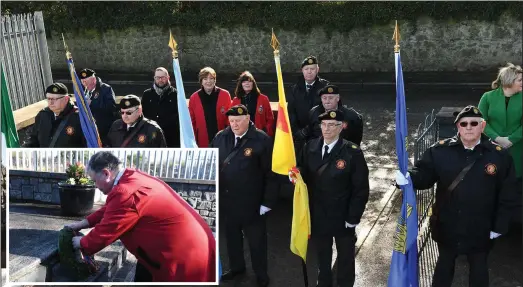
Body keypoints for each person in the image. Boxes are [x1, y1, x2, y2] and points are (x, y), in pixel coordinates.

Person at [395, 106, 517, 287]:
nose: (469, 127)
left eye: (474, 123)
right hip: (448, 224)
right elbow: (424, 175)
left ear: (482, 126)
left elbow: (508, 193)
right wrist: (408, 177)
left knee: (479, 271)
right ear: (458, 127)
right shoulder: (439, 151)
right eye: (464, 123)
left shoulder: (499, 156)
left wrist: (499, 225)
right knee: (443, 269)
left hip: (481, 226)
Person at [66, 151, 216, 282]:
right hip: (185, 247)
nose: (95, 186)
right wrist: (84, 223)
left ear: (106, 173)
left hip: (184, 258)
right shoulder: (130, 178)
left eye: (94, 180)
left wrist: (83, 242)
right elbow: (112, 209)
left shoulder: (126, 192)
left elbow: (108, 230)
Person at [289, 109, 370, 287]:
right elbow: (302, 168)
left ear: (341, 127)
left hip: (343, 216)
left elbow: (361, 189)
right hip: (318, 214)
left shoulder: (352, 153)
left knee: (346, 258)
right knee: (322, 256)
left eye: (332, 125)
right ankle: (323, 283)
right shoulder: (310, 147)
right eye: (324, 125)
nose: (327, 129)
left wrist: (353, 217)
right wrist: (295, 174)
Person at [210, 105, 277, 287]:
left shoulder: (261, 140)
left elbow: (271, 174)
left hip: (252, 203)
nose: (235, 124)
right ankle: (237, 268)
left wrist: (267, 202)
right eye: (231, 121)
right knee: (232, 239)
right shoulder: (220, 137)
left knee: (256, 242)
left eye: (238, 120)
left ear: (248, 118)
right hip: (228, 201)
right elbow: (212, 165)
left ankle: (261, 274)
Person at [478, 63, 522, 224]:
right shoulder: (488, 97)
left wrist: (511, 140)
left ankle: (507, 221)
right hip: (491, 147)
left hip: (517, 149)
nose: (522, 83)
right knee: (491, 181)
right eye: (520, 80)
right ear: (509, 81)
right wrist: (497, 138)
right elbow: (481, 120)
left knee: (513, 185)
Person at [288, 56, 329, 155]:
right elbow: (291, 111)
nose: (309, 72)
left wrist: (309, 129)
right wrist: (296, 131)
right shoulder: (295, 88)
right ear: (302, 70)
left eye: (312, 69)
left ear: (317, 69)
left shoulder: (325, 87)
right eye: (306, 69)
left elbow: (327, 111)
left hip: (318, 133)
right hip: (299, 134)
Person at [24, 83, 86, 148]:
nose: (51, 102)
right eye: (48, 99)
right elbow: (33, 140)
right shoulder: (43, 115)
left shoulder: (78, 117)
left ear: (66, 99)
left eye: (54, 99)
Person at [189, 67, 232, 147]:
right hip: (202, 142)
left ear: (215, 80)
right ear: (201, 81)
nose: (208, 81)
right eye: (205, 79)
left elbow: (230, 119)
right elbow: (191, 122)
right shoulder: (194, 98)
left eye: (211, 78)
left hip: (223, 140)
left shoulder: (225, 95)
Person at [141, 67, 180, 147]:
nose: (160, 80)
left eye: (163, 77)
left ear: (168, 77)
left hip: (171, 136)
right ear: (154, 78)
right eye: (157, 77)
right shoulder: (147, 94)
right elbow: (142, 114)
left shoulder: (176, 94)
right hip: (151, 135)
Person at [78, 68, 118, 145]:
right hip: (88, 129)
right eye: (82, 81)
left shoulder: (105, 89)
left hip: (103, 130)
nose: (84, 83)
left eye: (86, 81)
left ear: (93, 79)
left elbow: (111, 107)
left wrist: (92, 103)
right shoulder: (83, 91)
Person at [231, 71, 274, 137]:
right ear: (241, 85)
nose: (247, 83)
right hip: (241, 136)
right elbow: (231, 119)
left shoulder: (263, 99)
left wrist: (265, 132)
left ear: (253, 84)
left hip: (259, 136)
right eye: (244, 82)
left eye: (249, 81)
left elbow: (270, 119)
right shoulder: (235, 101)